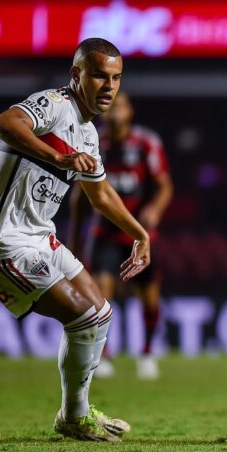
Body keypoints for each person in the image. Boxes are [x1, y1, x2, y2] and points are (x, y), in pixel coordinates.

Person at [0, 38, 150, 442]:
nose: (108, 87)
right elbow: (4, 123)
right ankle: (73, 416)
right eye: (100, 75)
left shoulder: (88, 133)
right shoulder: (55, 103)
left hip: (37, 237)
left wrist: (139, 233)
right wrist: (60, 158)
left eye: (116, 78)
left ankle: (73, 415)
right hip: (1, 242)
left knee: (101, 311)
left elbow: (99, 193)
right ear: (76, 74)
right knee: (85, 316)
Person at [69, 92, 173, 380]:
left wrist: (154, 209)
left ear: (130, 111)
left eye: (121, 104)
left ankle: (148, 352)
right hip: (104, 233)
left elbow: (165, 186)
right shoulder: (93, 142)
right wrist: (75, 243)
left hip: (140, 236)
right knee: (101, 296)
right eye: (111, 105)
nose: (114, 109)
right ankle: (103, 356)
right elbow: (79, 199)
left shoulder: (146, 143)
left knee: (150, 301)